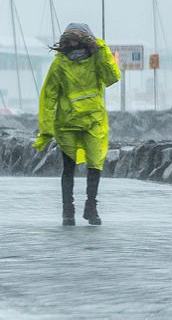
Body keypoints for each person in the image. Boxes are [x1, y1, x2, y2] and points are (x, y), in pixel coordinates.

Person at [34, 23, 121, 226]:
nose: (72, 44)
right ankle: (68, 210)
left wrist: (102, 51)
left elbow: (112, 78)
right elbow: (49, 97)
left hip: (93, 122)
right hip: (67, 124)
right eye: (69, 40)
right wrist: (46, 130)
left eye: (76, 39)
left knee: (95, 164)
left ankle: (91, 207)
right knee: (69, 168)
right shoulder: (60, 64)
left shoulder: (96, 59)